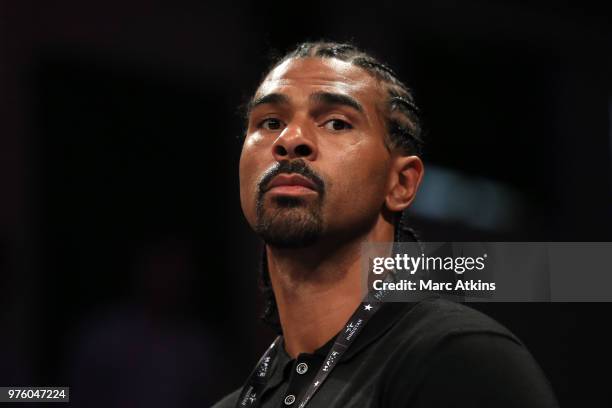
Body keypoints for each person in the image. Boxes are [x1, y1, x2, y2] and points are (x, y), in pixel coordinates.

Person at [212, 41, 558, 408]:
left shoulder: (459, 359)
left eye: (336, 123)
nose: (289, 140)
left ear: (401, 183)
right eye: (270, 123)